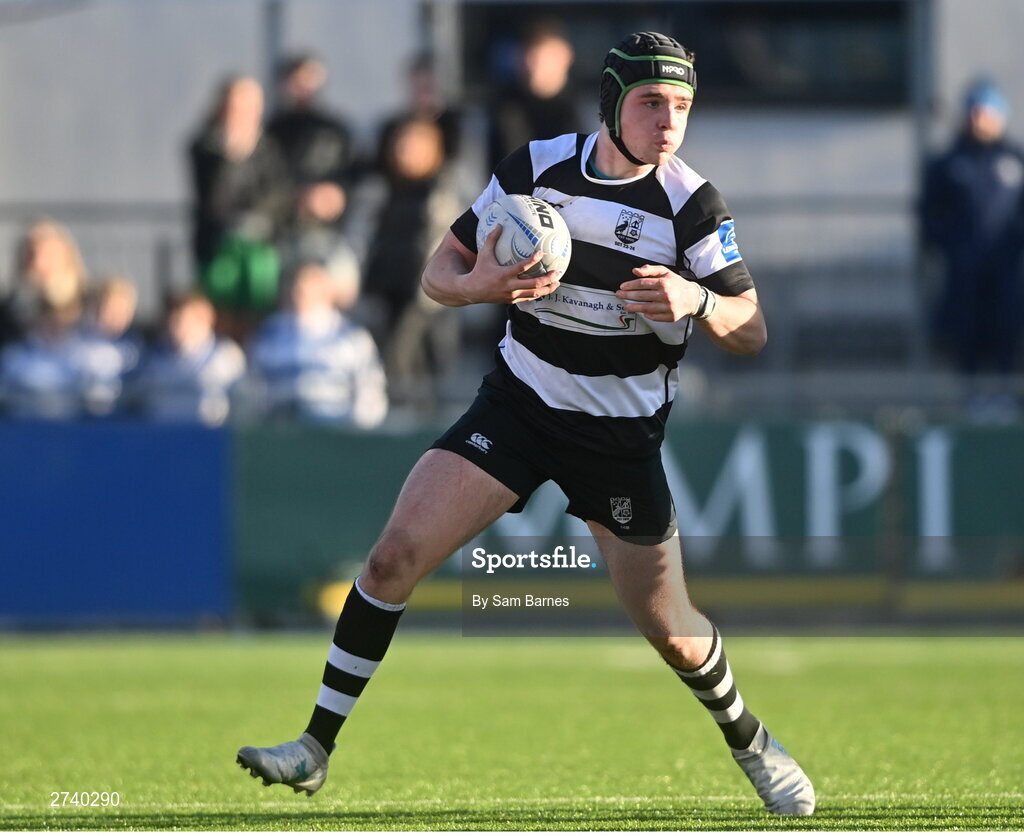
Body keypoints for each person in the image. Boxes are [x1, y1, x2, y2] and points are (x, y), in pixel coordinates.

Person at [236, 32, 815, 817]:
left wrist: (699, 301)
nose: (669, 121)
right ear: (612, 104)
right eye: (651, 104)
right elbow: (441, 272)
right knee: (391, 559)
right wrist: (482, 285)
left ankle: (750, 740)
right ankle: (313, 749)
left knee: (673, 631)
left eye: (681, 106)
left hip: (618, 439)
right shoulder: (537, 167)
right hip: (519, 407)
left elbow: (752, 329)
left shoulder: (692, 206)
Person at [919, 78, 1024, 412]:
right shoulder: (949, 162)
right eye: (974, 112)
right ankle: (974, 397)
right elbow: (928, 213)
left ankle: (1007, 395)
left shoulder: (1014, 159)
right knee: (968, 330)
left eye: (986, 112)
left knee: (1007, 327)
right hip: (964, 270)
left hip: (1007, 269)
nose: (979, 120)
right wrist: (951, 246)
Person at [360, 116, 463, 413]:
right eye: (400, 145)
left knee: (418, 361)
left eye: (414, 146)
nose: (404, 152)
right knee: (388, 359)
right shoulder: (379, 190)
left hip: (427, 297)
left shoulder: (442, 191)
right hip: (384, 290)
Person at [187, 75, 293, 341]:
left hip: (261, 247)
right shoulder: (205, 148)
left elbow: (277, 196)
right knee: (220, 315)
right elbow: (213, 198)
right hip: (218, 248)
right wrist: (230, 155)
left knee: (259, 317)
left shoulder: (271, 148)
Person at [248, 259, 387, 428]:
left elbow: (370, 393)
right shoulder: (269, 333)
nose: (300, 291)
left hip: (335, 437)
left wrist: (355, 434)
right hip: (281, 435)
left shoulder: (353, 337)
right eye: (297, 285)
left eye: (310, 285)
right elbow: (253, 387)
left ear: (327, 289)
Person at [134, 292, 246, 427]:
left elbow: (242, 403)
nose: (176, 327)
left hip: (211, 439)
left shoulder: (226, 356)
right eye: (173, 320)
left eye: (183, 320)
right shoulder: (154, 357)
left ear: (206, 319)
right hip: (163, 437)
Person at [487, 21, 582, 171]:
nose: (533, 65)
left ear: (565, 55)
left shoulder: (587, 109)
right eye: (529, 56)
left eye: (542, 57)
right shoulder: (505, 109)